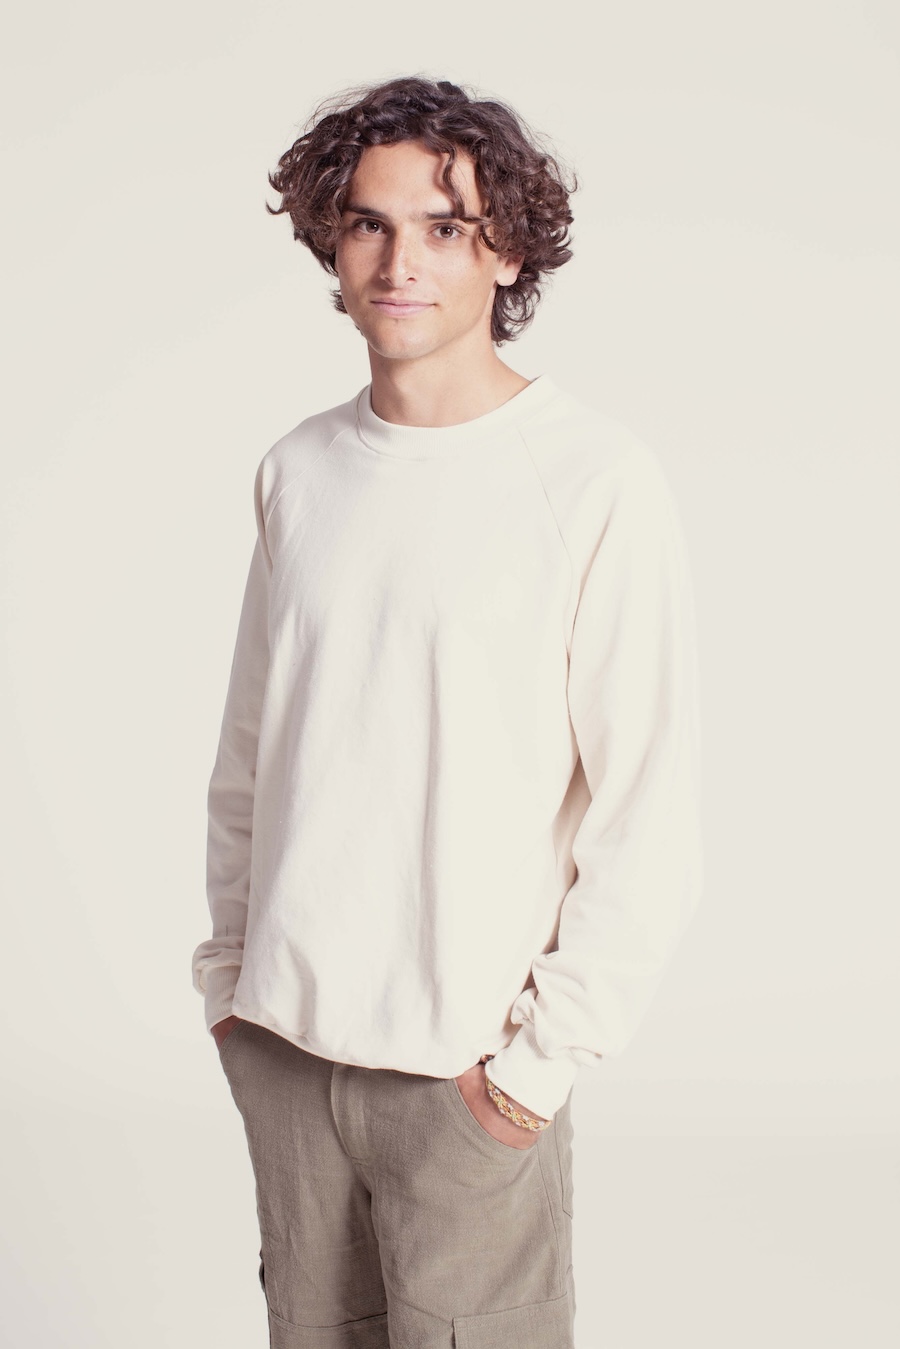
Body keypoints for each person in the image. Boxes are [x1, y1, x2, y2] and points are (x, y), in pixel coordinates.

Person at [191, 75, 703, 1349]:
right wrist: (230, 986)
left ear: (508, 249)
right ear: (332, 240)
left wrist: (533, 1074)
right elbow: (253, 751)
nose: (399, 262)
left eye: (444, 227)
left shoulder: (593, 480)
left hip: (468, 1080)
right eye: (369, 224)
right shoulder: (298, 470)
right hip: (289, 1055)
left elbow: (647, 811)